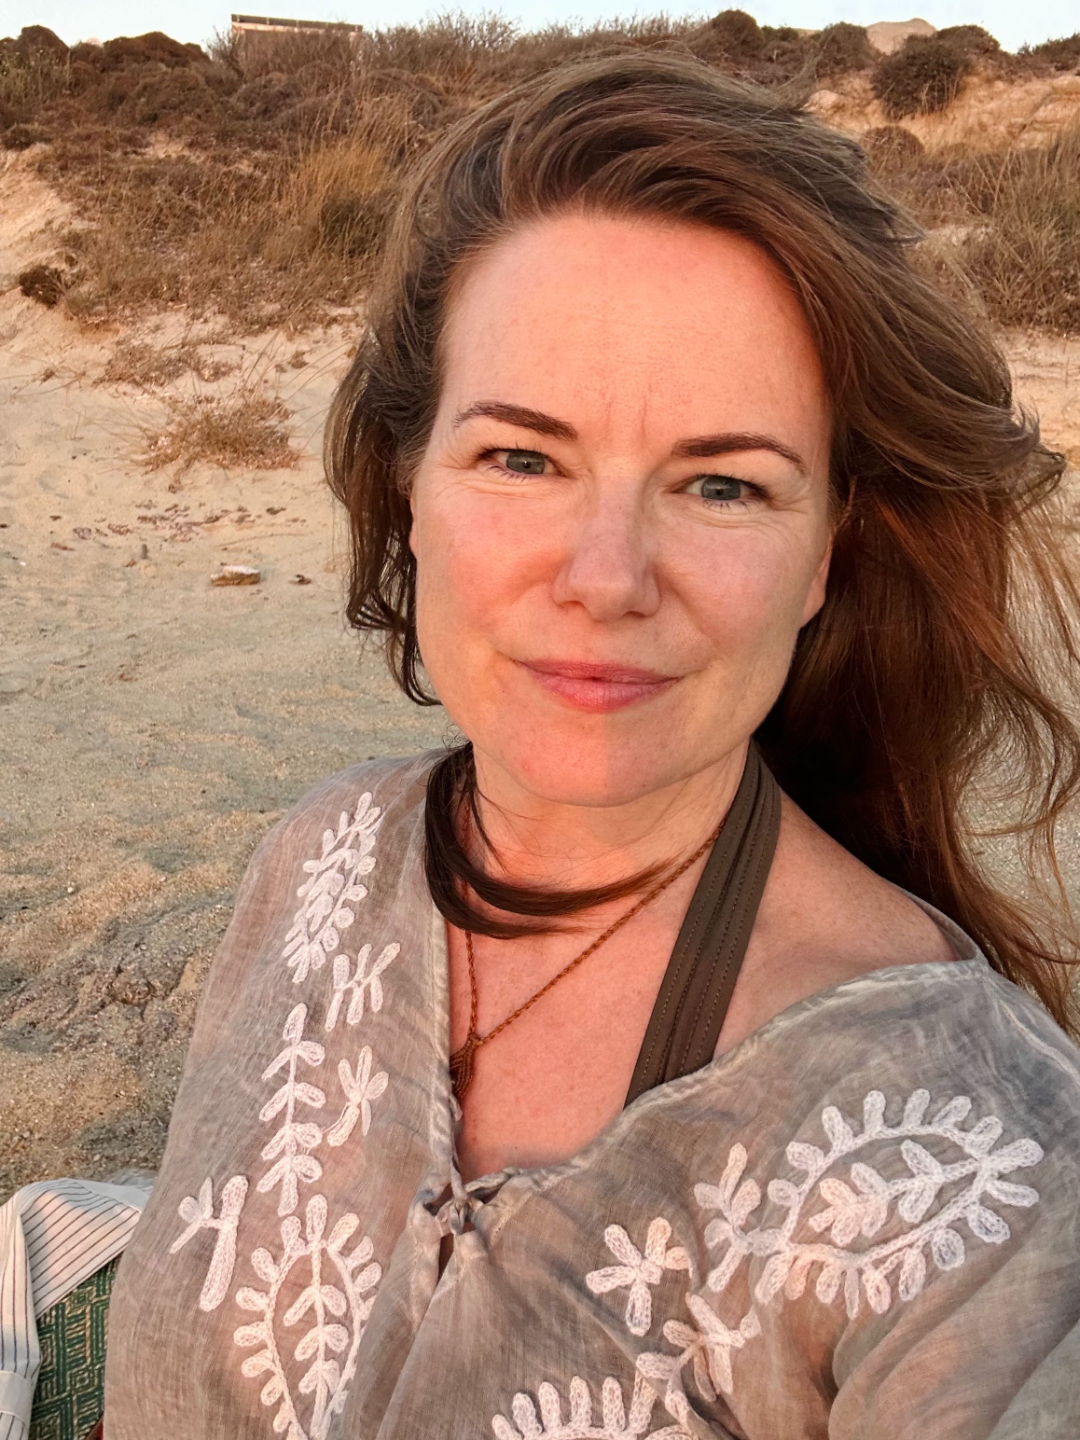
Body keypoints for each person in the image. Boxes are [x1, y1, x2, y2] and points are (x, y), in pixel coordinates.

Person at [97, 51, 1080, 1439]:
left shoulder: (979, 1165)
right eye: (521, 458)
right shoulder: (317, 857)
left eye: (723, 484)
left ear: (825, 554)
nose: (608, 577)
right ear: (409, 485)